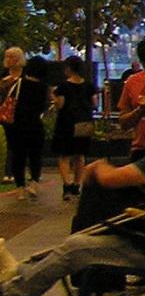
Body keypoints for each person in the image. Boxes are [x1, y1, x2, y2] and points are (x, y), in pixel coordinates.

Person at [0, 110, 145, 296]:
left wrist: (99, 166)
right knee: (76, 244)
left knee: (75, 247)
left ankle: (12, 295)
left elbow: (110, 179)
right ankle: (19, 273)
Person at [49, 56, 95, 199]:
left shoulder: (63, 86)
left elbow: (61, 105)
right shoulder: (88, 85)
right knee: (80, 155)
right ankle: (77, 184)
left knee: (64, 156)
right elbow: (94, 103)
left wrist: (53, 96)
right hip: (84, 124)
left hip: (66, 124)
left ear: (68, 68)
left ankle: (67, 185)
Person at [4, 52, 49, 197]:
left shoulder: (19, 83)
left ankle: (20, 188)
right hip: (35, 124)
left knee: (19, 156)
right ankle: (34, 183)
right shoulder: (43, 87)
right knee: (35, 155)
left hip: (17, 125)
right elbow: (44, 107)